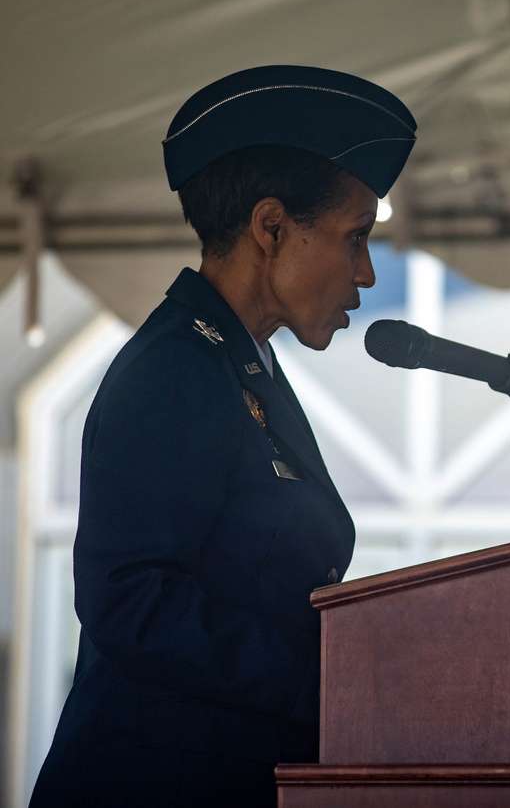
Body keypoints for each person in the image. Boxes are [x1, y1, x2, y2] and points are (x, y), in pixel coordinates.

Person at [29, 65, 416, 807]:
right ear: (270, 227)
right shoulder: (176, 367)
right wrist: (329, 676)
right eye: (355, 237)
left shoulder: (242, 365)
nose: (366, 273)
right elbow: (128, 600)